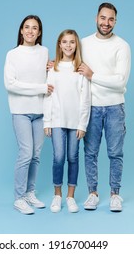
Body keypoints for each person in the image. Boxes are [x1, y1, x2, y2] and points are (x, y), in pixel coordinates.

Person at [78, 2, 131, 212]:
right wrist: (55, 65)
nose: (106, 23)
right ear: (96, 18)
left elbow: (120, 81)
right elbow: (73, 67)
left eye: (110, 19)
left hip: (114, 107)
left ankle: (115, 194)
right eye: (103, 18)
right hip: (91, 106)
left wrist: (93, 76)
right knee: (90, 152)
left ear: (115, 21)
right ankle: (92, 193)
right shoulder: (84, 43)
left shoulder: (122, 46)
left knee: (115, 152)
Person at [4, 15, 54, 215]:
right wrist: (41, 87)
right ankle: (19, 198)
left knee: (36, 155)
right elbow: (11, 84)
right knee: (25, 154)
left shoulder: (44, 52)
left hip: (40, 112)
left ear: (39, 32)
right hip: (21, 111)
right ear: (21, 31)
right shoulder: (13, 54)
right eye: (27, 27)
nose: (30, 31)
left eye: (35, 28)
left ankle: (30, 193)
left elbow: (49, 76)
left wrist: (54, 67)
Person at [43, 29, 91, 213]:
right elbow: (48, 96)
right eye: (64, 42)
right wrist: (47, 122)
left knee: (73, 157)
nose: (68, 45)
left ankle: (71, 196)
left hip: (75, 122)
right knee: (58, 157)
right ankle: (57, 195)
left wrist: (82, 124)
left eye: (72, 42)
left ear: (76, 45)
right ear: (59, 45)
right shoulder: (53, 68)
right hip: (56, 120)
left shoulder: (80, 70)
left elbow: (85, 98)